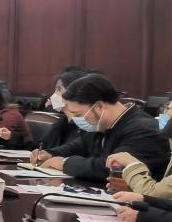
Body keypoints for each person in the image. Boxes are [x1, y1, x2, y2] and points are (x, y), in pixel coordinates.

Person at [30, 74, 169, 181]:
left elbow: (112, 167)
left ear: (99, 107)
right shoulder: (102, 125)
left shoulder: (143, 128)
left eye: (78, 114)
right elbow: (79, 145)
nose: (76, 119)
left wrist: (64, 163)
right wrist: (50, 154)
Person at [40, 68, 87, 149]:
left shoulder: (87, 127)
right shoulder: (62, 122)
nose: (54, 95)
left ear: (74, 92)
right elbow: (42, 146)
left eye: (59, 89)